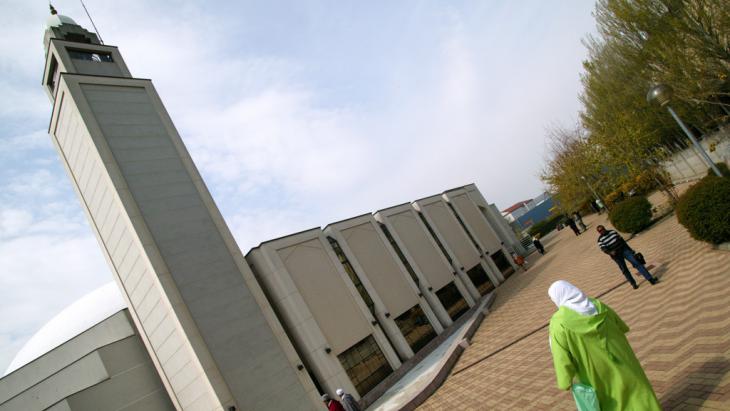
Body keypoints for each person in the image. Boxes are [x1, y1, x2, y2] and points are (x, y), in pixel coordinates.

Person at [548, 281, 661, 411]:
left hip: (595, 372)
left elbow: (561, 356)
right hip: (622, 357)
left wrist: (565, 381)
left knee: (612, 401)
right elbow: (620, 325)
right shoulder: (596, 304)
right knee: (637, 391)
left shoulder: (558, 322)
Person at [596, 225, 658, 289]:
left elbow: (622, 241)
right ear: (599, 232)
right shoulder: (600, 240)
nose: (602, 231)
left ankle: (650, 279)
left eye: (603, 229)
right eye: (600, 230)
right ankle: (633, 284)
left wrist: (630, 250)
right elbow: (604, 249)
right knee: (624, 270)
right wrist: (610, 252)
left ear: (605, 228)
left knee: (637, 263)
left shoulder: (613, 232)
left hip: (624, 250)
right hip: (616, 256)